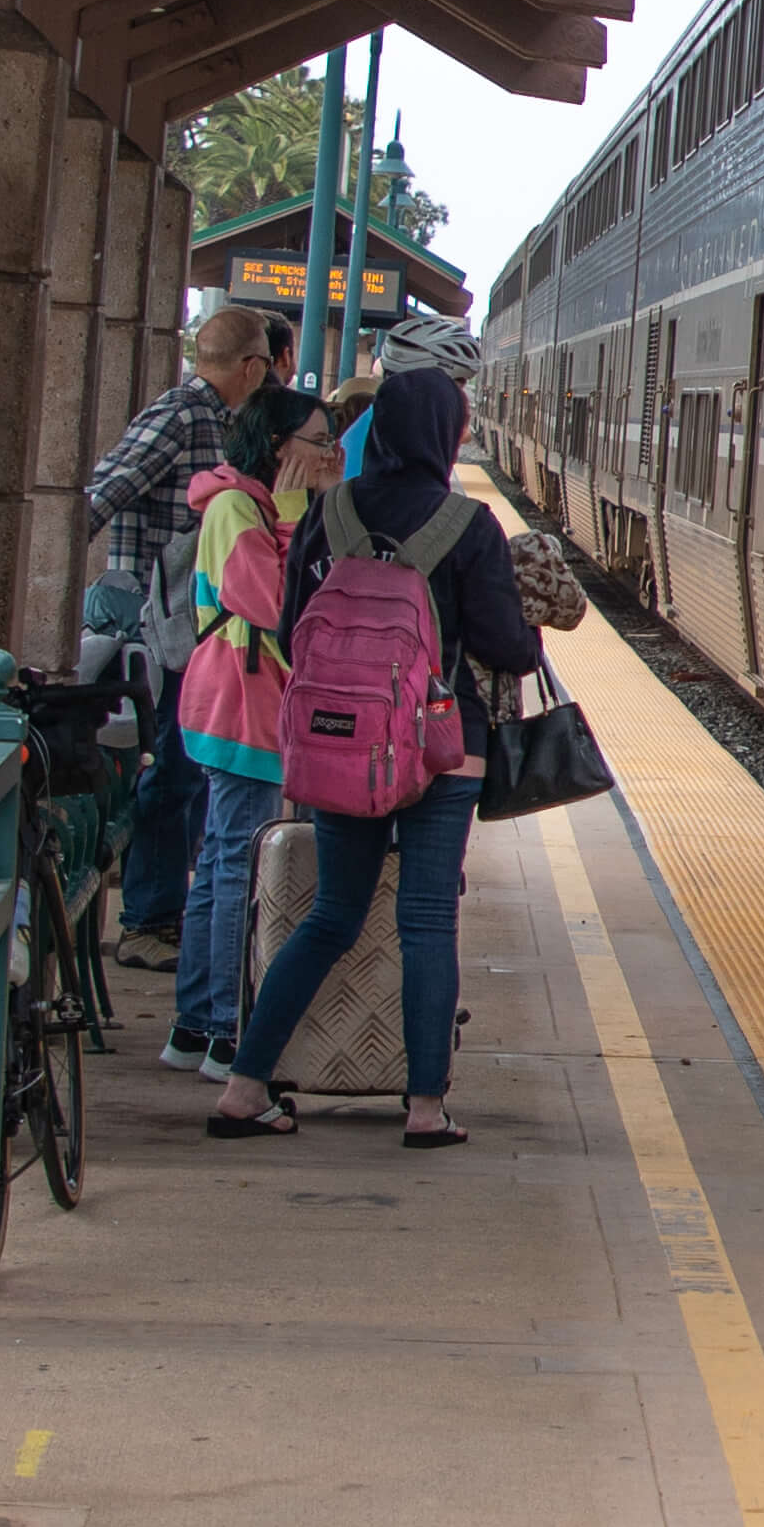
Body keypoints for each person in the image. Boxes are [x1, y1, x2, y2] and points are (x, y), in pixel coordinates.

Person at [214, 363, 564, 1148]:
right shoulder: (467, 525)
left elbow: (287, 624)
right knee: (428, 922)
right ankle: (426, 1109)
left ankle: (244, 1087)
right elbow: (508, 650)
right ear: (448, 435)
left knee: (331, 916)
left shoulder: (332, 511)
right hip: (445, 748)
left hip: (343, 746)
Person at [85, 301, 289, 956]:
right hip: (168, 630)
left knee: (188, 775)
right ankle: (147, 920)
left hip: (198, 632)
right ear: (254, 365)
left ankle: (166, 914)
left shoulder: (220, 420)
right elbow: (101, 493)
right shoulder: (181, 416)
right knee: (171, 774)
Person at [160, 385, 323, 1087]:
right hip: (240, 706)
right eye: (319, 441)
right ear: (281, 449)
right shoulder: (236, 509)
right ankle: (227, 1031)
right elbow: (275, 605)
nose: (333, 453)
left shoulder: (244, 505)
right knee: (237, 868)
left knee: (222, 863)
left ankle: (194, 1023)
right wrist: (291, 517)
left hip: (240, 703)